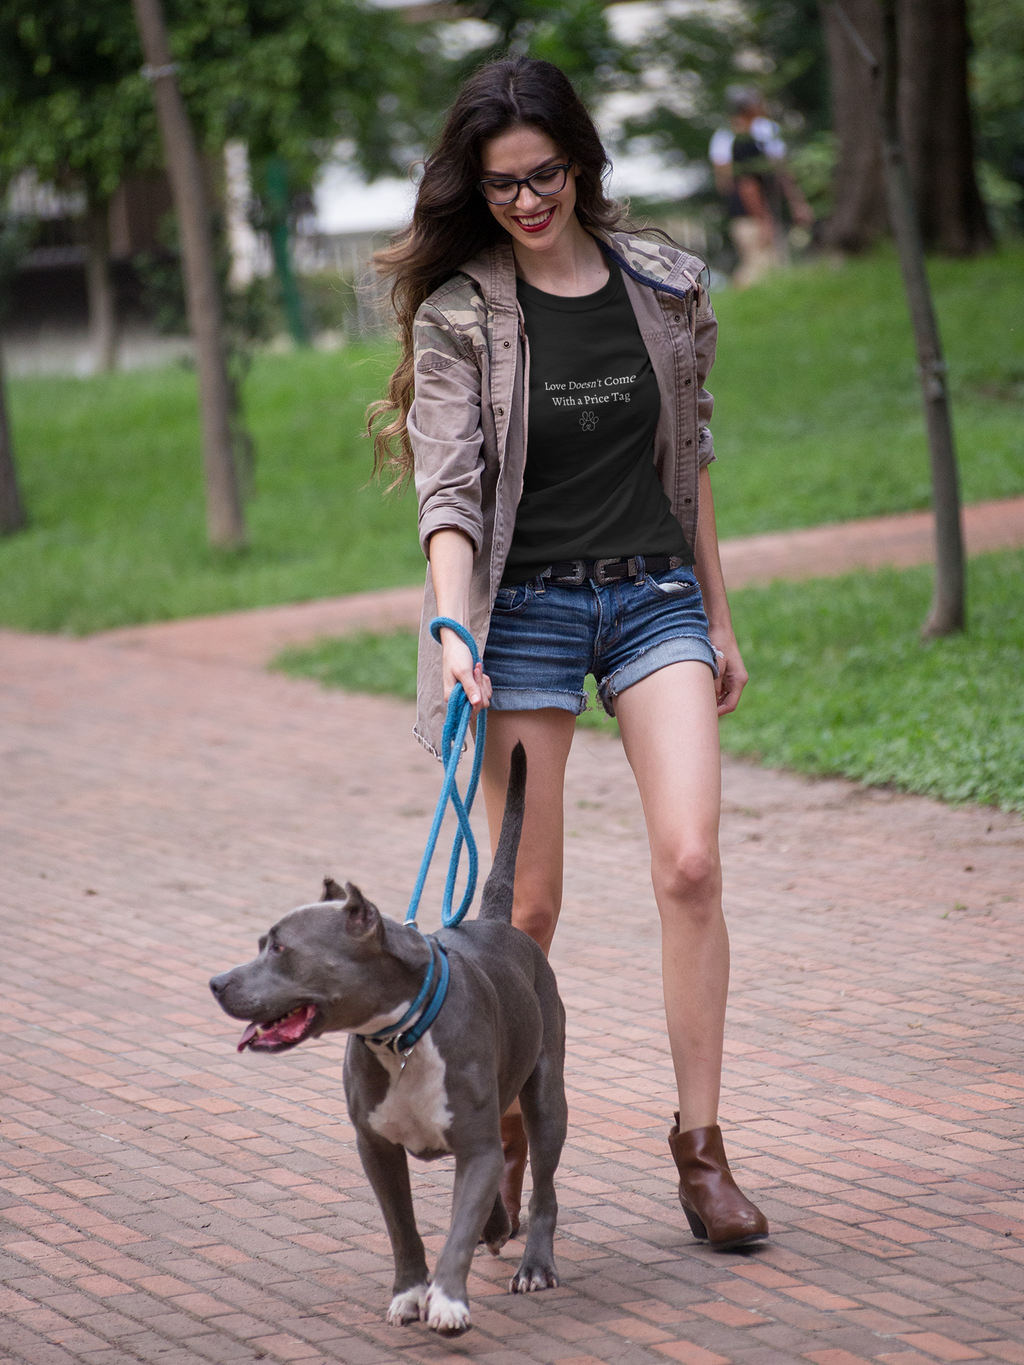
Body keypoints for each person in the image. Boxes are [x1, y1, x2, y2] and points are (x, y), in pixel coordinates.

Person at [369, 56, 768, 1252]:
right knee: (522, 908)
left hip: (651, 600)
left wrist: (720, 617)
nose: (526, 201)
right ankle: (499, 1133)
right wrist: (454, 629)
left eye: (542, 176)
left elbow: (687, 466)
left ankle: (700, 1149)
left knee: (690, 865)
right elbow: (448, 494)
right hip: (523, 615)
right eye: (500, 188)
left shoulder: (662, 285)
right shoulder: (460, 315)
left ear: (580, 163)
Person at [709, 89, 813, 289]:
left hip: (756, 211)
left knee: (765, 266)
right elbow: (746, 184)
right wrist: (764, 218)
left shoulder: (740, 135)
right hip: (755, 213)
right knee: (761, 269)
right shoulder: (740, 139)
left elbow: (724, 182)